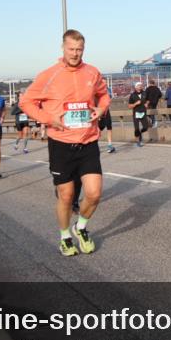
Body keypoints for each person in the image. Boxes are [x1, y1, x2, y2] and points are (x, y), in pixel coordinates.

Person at [19, 29, 111, 257]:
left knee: (94, 193)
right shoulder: (49, 75)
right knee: (67, 196)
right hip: (61, 144)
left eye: (79, 49)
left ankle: (80, 228)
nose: (75, 53)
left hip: (88, 141)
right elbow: (26, 102)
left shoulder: (92, 72)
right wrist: (47, 118)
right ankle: (65, 236)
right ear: (63, 48)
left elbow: (104, 95)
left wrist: (101, 108)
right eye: (71, 49)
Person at [127, 81, 150, 147]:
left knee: (146, 127)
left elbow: (148, 100)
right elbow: (129, 106)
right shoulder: (132, 95)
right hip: (136, 113)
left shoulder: (145, 93)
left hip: (143, 112)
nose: (140, 86)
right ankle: (138, 142)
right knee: (136, 128)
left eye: (141, 85)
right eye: (139, 85)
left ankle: (140, 133)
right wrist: (135, 104)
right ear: (136, 87)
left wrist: (147, 103)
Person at [98, 84, 117, 153]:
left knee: (109, 128)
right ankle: (94, 145)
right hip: (98, 112)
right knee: (98, 130)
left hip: (106, 111)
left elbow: (110, 98)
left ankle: (110, 145)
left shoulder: (107, 90)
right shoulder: (96, 91)